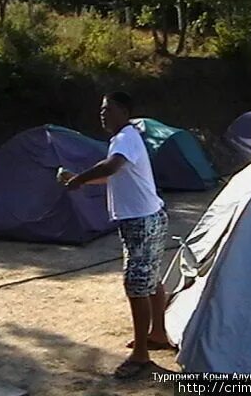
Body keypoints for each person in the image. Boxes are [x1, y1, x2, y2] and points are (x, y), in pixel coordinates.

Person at [59, 91, 171, 379]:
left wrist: (80, 178)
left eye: (107, 109)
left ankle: (141, 354)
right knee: (150, 279)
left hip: (141, 222)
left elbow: (111, 166)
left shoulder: (125, 138)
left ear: (123, 111)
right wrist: (79, 181)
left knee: (135, 285)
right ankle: (157, 333)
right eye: (101, 110)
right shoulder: (126, 139)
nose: (102, 114)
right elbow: (113, 174)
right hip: (151, 216)